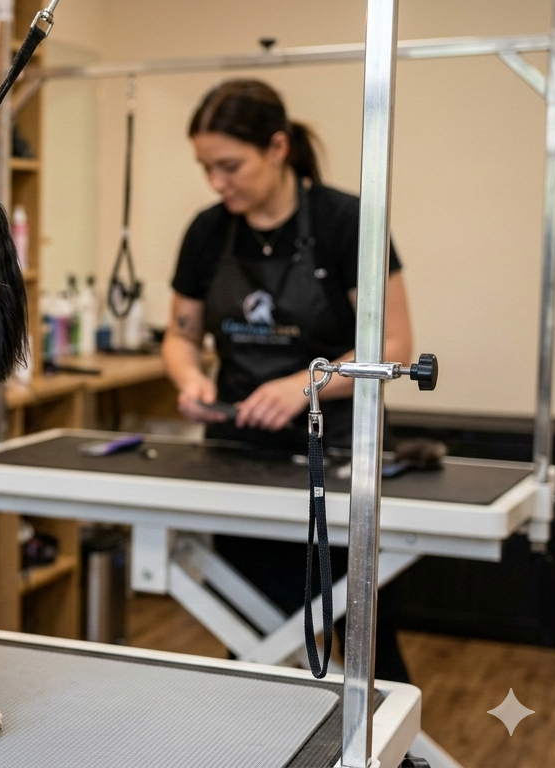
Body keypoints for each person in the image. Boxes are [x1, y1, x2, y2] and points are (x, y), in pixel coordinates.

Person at [162, 79, 414, 682]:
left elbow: (395, 347)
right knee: (253, 632)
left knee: (365, 642)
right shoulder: (207, 231)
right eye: (206, 168)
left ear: (277, 148)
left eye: (230, 166)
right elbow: (180, 334)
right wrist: (191, 378)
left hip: (337, 457)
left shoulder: (346, 220)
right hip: (239, 455)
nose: (217, 183)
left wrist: (305, 384)